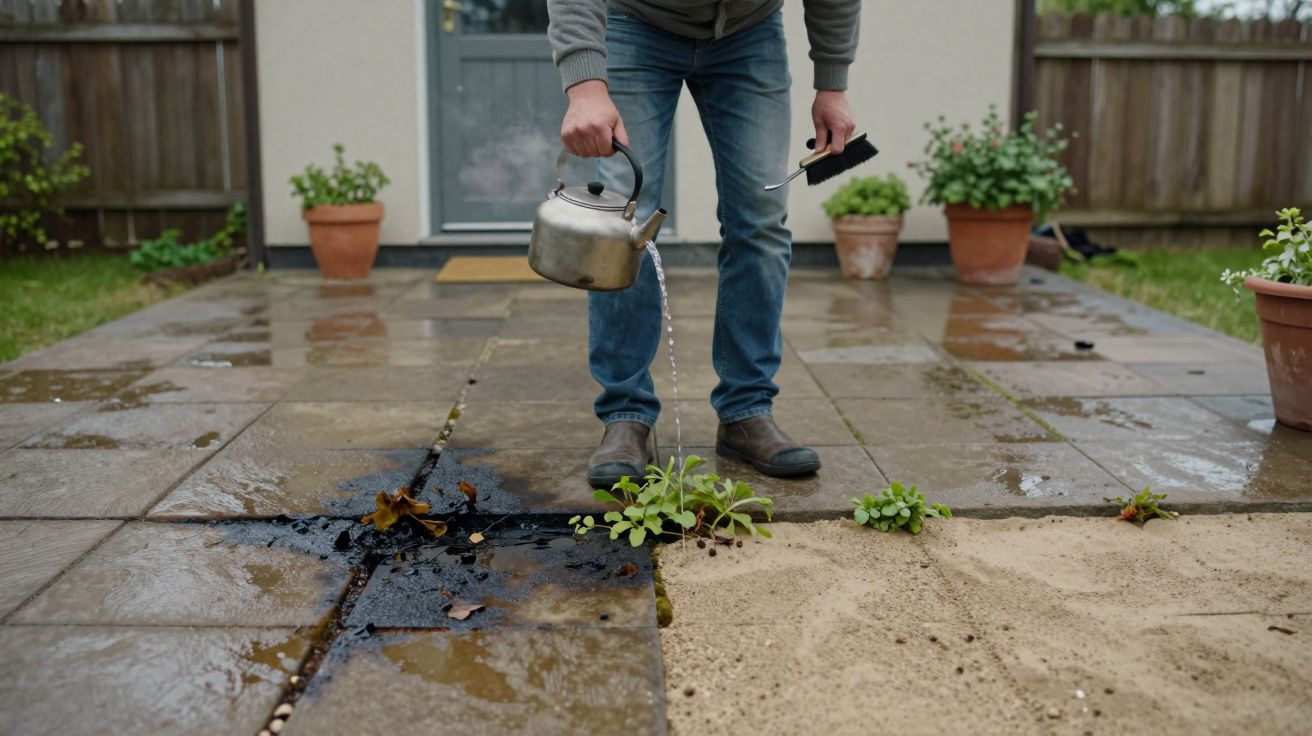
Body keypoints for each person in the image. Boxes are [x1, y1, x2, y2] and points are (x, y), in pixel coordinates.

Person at [546, 0, 861, 489]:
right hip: (636, 22)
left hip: (749, 32)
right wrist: (585, 85)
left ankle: (745, 410)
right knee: (626, 224)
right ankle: (625, 415)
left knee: (761, 221)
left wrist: (832, 82)